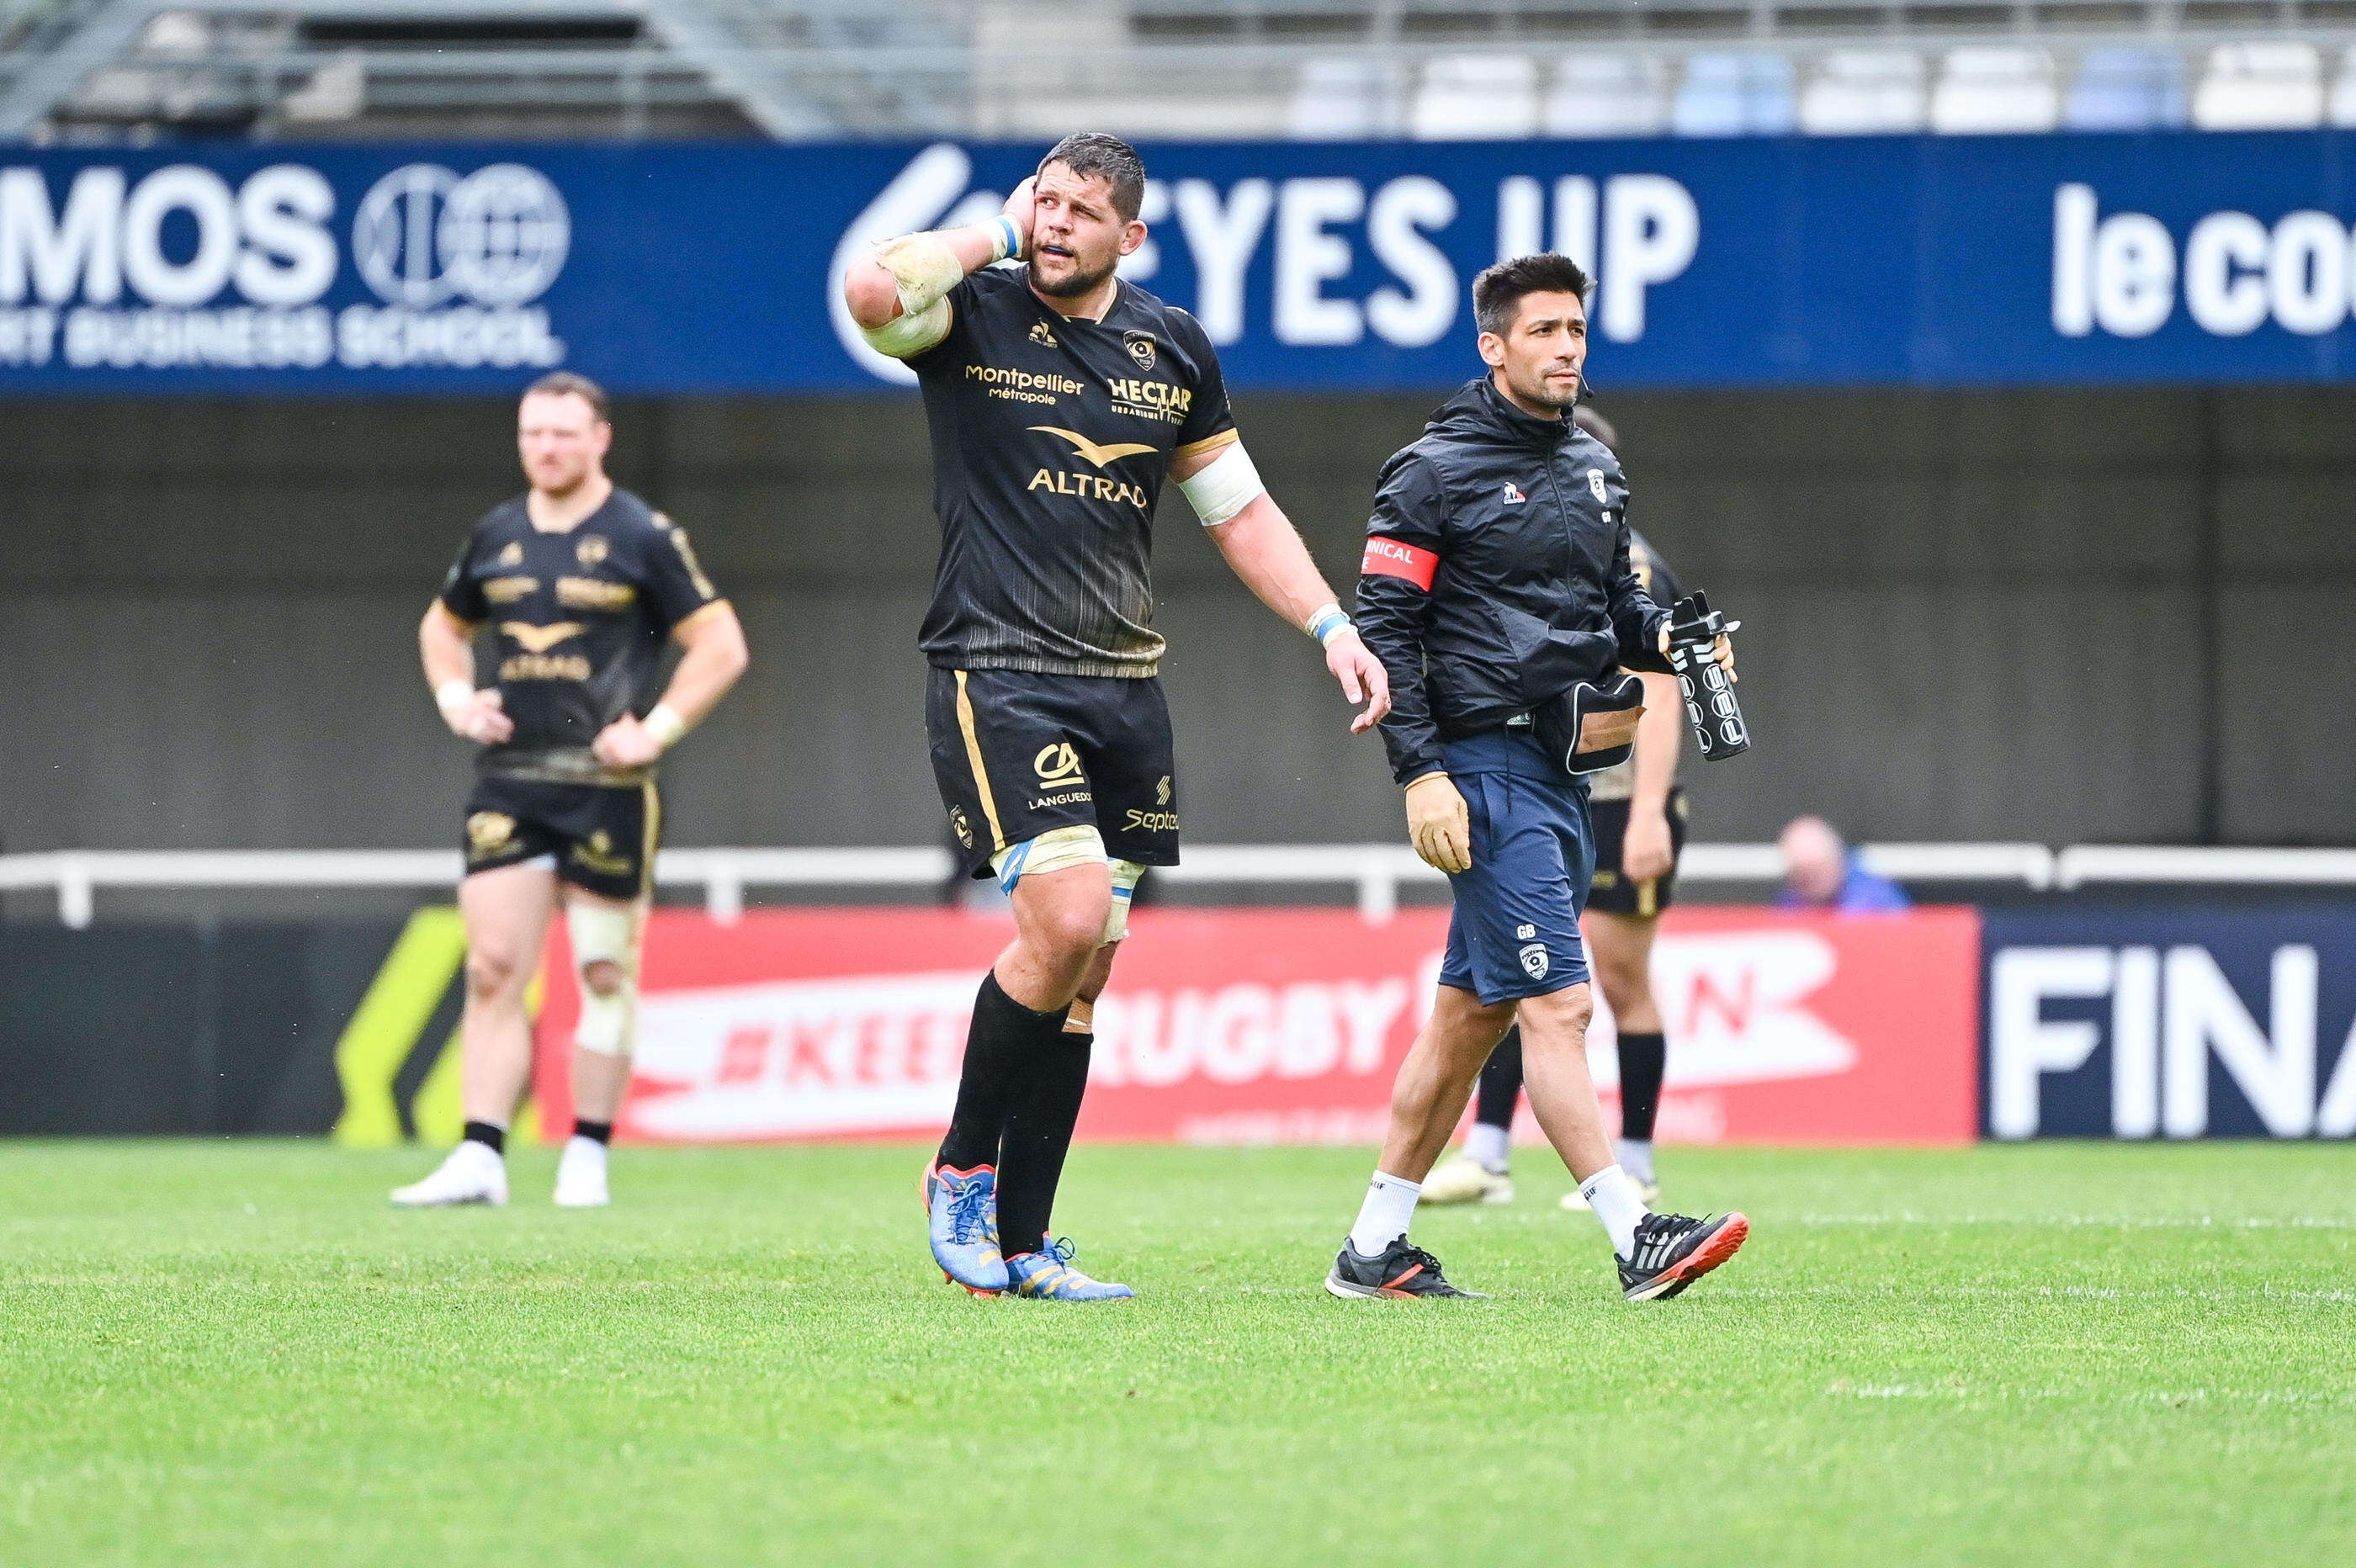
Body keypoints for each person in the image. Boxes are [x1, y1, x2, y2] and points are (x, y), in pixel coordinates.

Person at [842, 133, 1388, 1301]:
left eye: (1081, 212)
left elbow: (1237, 513)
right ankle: (957, 1172)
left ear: (1130, 236)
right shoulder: (970, 313)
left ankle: (1028, 1248)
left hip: (1126, 688)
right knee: (1067, 911)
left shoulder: (1170, 345)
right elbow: (872, 290)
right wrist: (987, 229)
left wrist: (1334, 628)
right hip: (997, 668)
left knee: (1087, 970)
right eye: (1044, 203)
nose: (1055, 225)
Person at [1325, 253, 1748, 1303]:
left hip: (1563, 774)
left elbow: (1615, 614)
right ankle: (1633, 1231)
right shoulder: (1428, 470)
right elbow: (1385, 629)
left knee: (1470, 1016)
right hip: (1479, 767)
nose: (1567, 347)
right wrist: (1420, 773)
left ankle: (1373, 1250)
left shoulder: (1595, 473)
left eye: (1576, 330)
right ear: (1493, 345)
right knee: (1558, 1007)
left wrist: (1678, 639)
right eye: (1546, 330)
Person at [393, 373, 749, 1210]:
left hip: (606, 788)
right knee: (490, 968)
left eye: (561, 433)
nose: (545, 448)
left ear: (600, 439)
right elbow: (443, 626)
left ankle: (585, 1152)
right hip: (510, 781)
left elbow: (722, 644)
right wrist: (455, 698)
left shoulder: (642, 534)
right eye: (532, 434)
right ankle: (481, 1152)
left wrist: (653, 731)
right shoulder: (496, 535)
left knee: (599, 972)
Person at [1418, 405, 1686, 1210]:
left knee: (1613, 977)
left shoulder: (1631, 564)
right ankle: (1489, 1157)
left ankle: (1633, 1163)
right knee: (1515, 973)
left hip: (1614, 795)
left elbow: (1663, 695)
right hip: (1540, 782)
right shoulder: (1515, 558)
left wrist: (1649, 810)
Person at [1777, 815, 1910, 912]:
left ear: (1837, 859)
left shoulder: (1876, 899)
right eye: (1800, 873)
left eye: (1815, 870)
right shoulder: (1791, 901)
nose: (1808, 880)